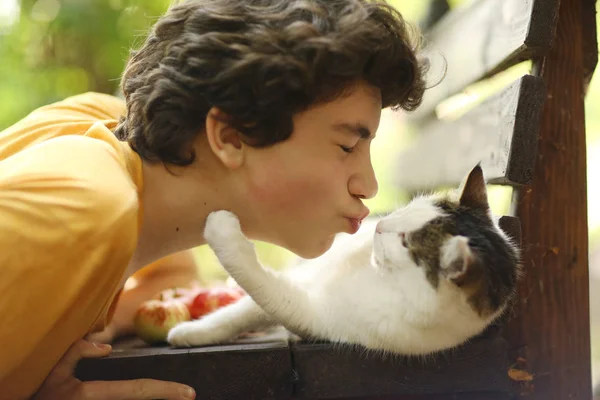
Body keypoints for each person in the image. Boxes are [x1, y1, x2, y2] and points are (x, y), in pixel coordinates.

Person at [0, 0, 426, 398]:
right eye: (347, 146)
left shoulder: (103, 136)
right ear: (230, 136)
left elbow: (165, 281)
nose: (368, 185)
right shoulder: (82, 208)